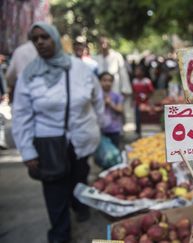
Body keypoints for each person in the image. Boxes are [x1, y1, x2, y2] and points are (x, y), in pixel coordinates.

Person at [12, 22, 104, 243]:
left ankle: (79, 206)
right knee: (54, 192)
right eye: (35, 39)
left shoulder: (79, 68)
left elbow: (97, 100)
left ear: (55, 38)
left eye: (45, 36)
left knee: (78, 179)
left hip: (80, 140)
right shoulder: (29, 75)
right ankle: (60, 235)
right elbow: (21, 115)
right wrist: (27, 151)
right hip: (48, 144)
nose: (41, 42)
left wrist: (95, 129)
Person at [99, 71, 124, 148]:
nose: (107, 83)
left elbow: (120, 110)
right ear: (99, 81)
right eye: (104, 80)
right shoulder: (96, 97)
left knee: (113, 155)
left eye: (110, 81)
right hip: (99, 130)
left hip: (114, 130)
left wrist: (110, 104)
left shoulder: (117, 96)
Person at [132, 65, 154, 137]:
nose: (136, 72)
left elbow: (151, 92)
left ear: (143, 72)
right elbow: (133, 92)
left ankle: (145, 132)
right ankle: (138, 132)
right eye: (136, 71)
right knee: (137, 118)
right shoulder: (134, 81)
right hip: (137, 103)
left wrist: (146, 96)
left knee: (144, 118)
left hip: (145, 103)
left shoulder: (147, 81)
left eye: (138, 71)